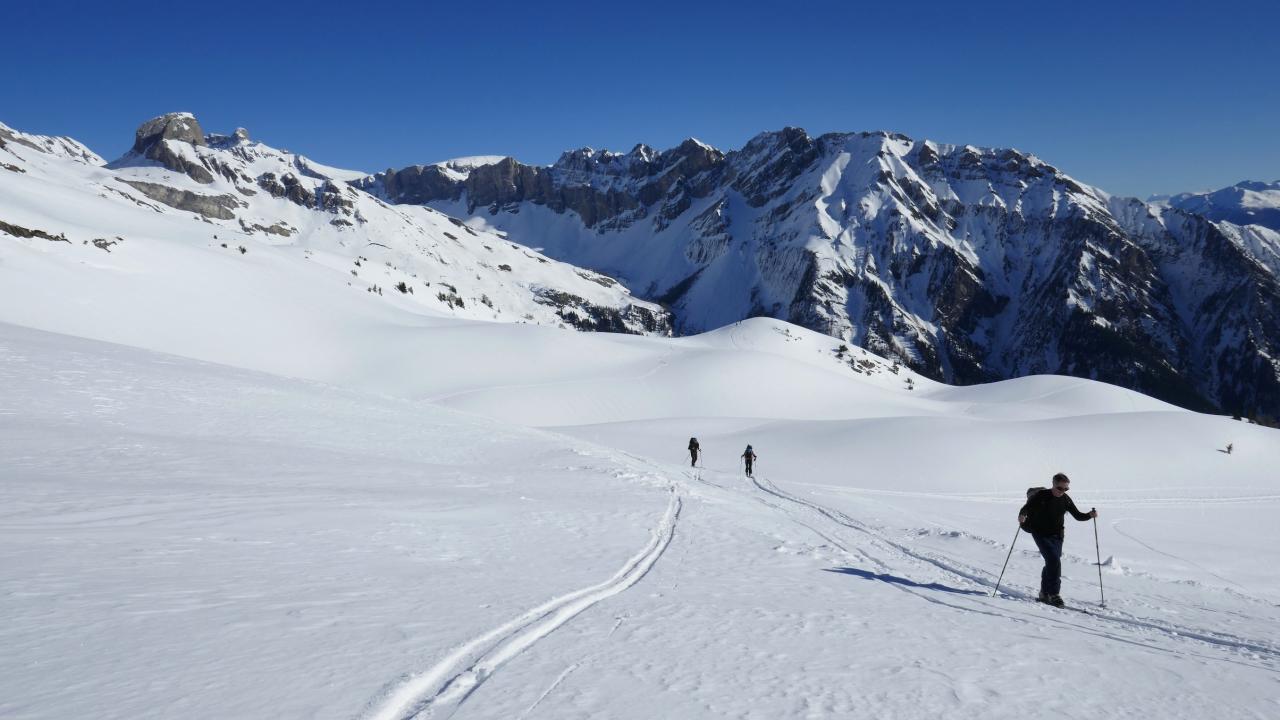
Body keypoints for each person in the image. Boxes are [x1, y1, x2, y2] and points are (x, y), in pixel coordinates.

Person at [1019, 473, 1097, 607]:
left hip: (1057, 536)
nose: (1063, 491)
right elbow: (1026, 508)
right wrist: (1022, 515)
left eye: (1066, 489)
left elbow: (1078, 516)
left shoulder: (1065, 499)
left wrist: (1090, 515)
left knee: (1051, 562)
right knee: (1054, 560)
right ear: (1053, 484)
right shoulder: (1041, 495)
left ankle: (1044, 593)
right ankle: (1054, 594)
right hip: (1040, 533)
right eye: (1060, 488)